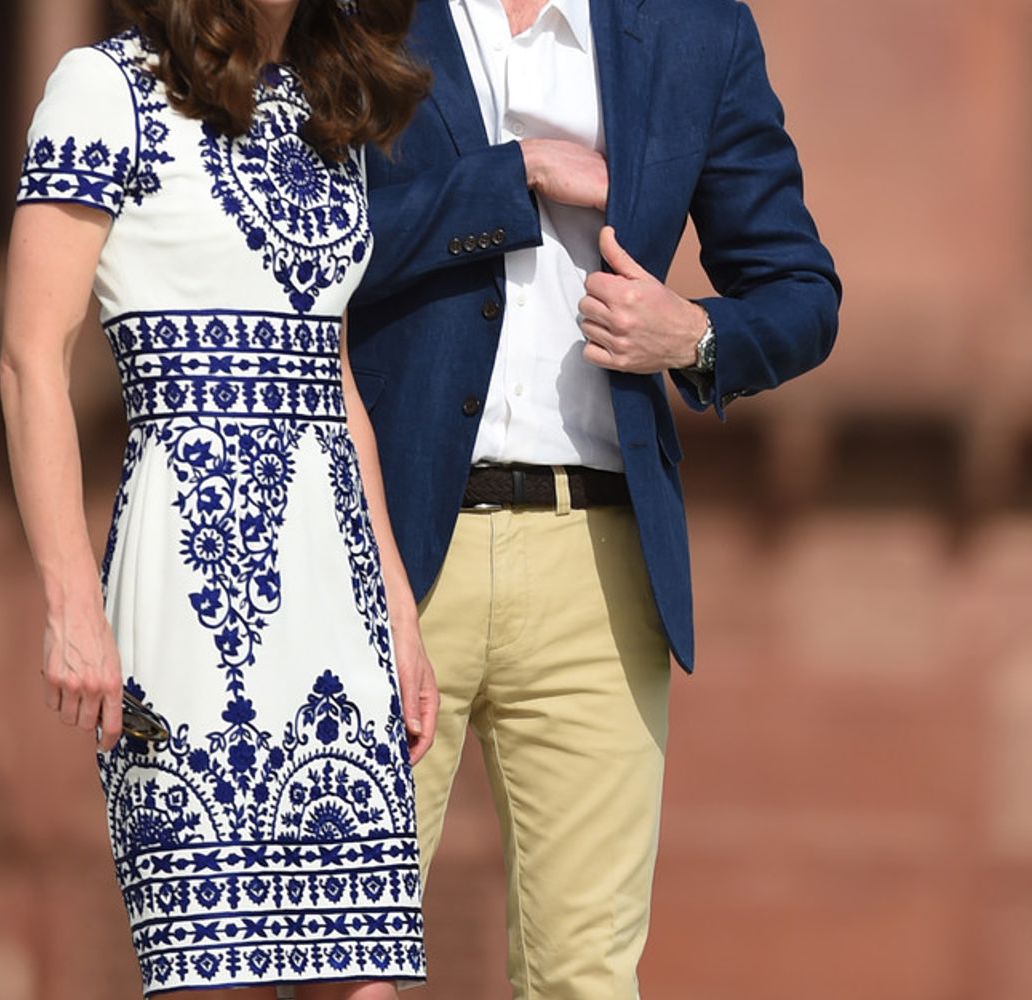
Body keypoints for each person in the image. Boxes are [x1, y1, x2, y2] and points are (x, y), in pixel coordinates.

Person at [347, 0, 841, 997]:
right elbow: (299, 241)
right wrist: (512, 176)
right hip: (384, 549)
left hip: (601, 561)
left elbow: (799, 288)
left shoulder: (696, 29)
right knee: (339, 959)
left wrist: (691, 335)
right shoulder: (356, 13)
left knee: (586, 980)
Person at [0, 0, 440, 996]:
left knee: (364, 970)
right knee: (212, 966)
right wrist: (72, 604)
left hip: (339, 592)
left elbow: (339, 391)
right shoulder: (104, 90)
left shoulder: (330, 111)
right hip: (190, 586)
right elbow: (32, 358)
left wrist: (401, 616)